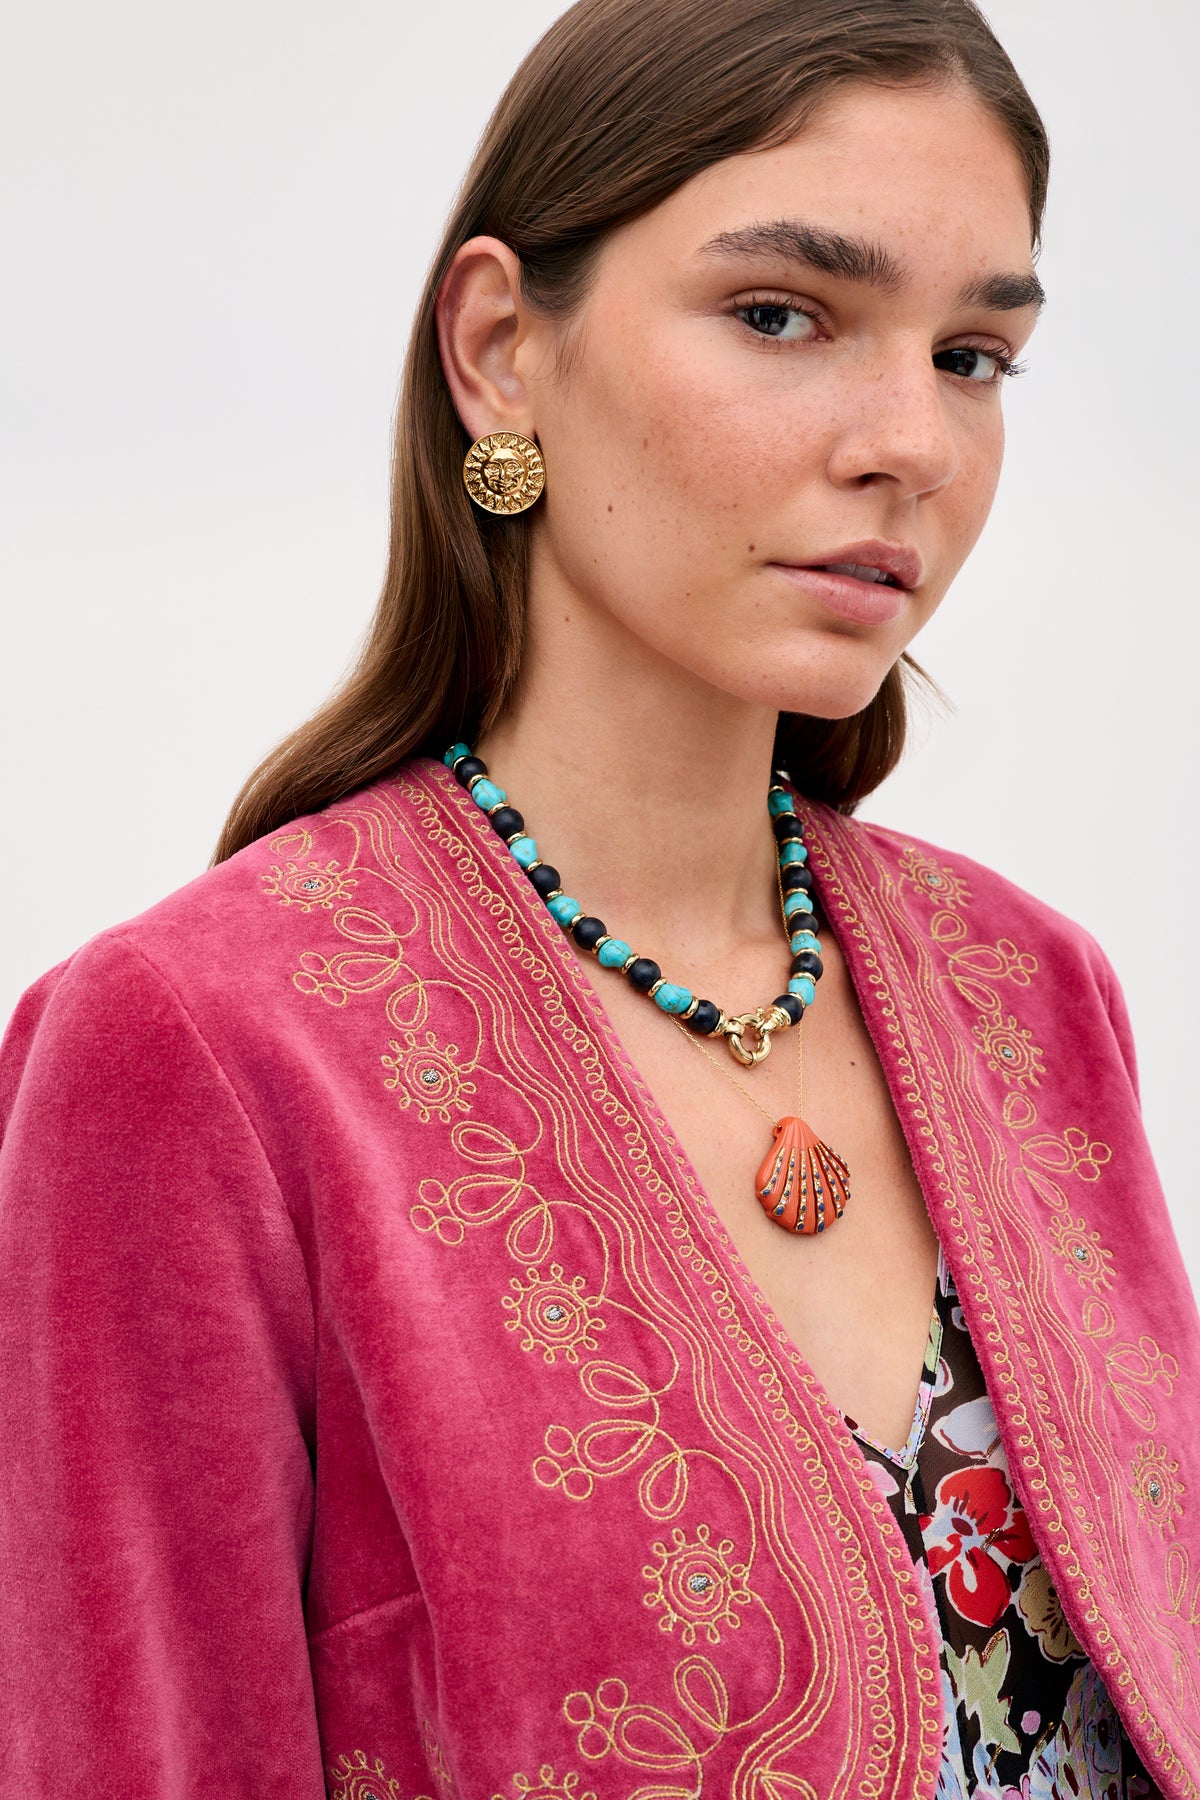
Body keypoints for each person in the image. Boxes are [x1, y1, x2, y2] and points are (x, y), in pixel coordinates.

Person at [1, 0, 1196, 1794]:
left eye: (973, 355)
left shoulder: (1030, 989)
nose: (914, 443)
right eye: (782, 314)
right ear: (501, 350)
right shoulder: (198, 1054)